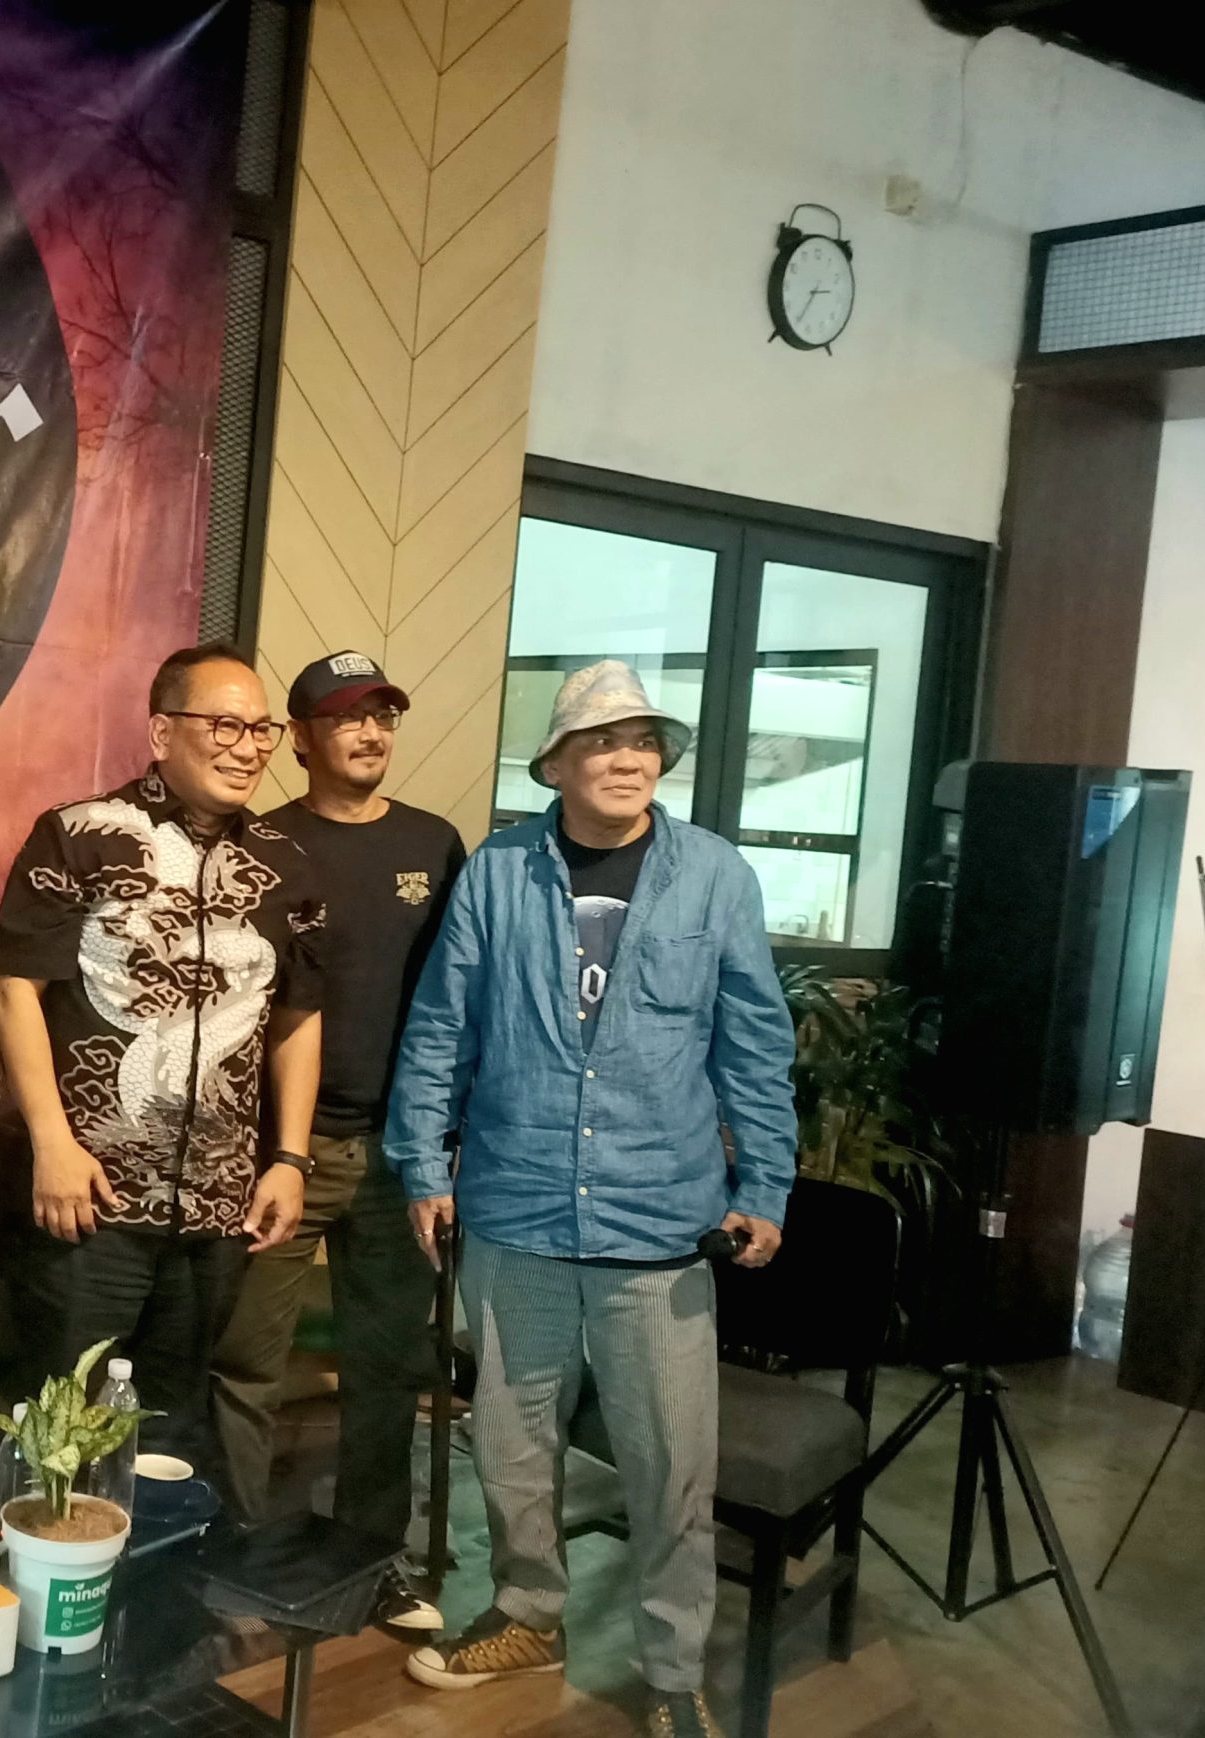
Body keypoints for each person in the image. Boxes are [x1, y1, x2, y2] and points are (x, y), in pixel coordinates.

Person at [385, 659, 796, 1738]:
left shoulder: (715, 875)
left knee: (669, 1469)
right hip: (514, 1209)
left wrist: (765, 1182)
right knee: (510, 1442)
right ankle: (526, 1614)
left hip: (658, 1223)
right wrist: (424, 1165)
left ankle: (670, 1666)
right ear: (556, 764)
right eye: (603, 741)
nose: (628, 758)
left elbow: (754, 1044)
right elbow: (441, 1027)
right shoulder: (498, 871)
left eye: (644, 741)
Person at [0, 644, 323, 1479]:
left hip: (218, 1213)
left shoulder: (284, 863)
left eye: (262, 730)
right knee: (60, 1430)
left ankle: (156, 1568)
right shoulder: (79, 836)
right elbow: (14, 990)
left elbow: (297, 1018)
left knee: (170, 1433)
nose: (247, 747)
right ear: (163, 732)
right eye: (225, 726)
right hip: (89, 1200)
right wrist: (52, 1142)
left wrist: (289, 1159)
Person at [209, 651, 463, 1631]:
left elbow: (459, 998)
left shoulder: (434, 844)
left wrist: (448, 1142)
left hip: (402, 1152)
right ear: (301, 738)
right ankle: (227, 1553)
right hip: (283, 1152)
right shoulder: (262, 843)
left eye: (383, 717)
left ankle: (376, 1559)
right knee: (246, 1363)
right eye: (350, 718)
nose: (370, 734)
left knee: (385, 1368)